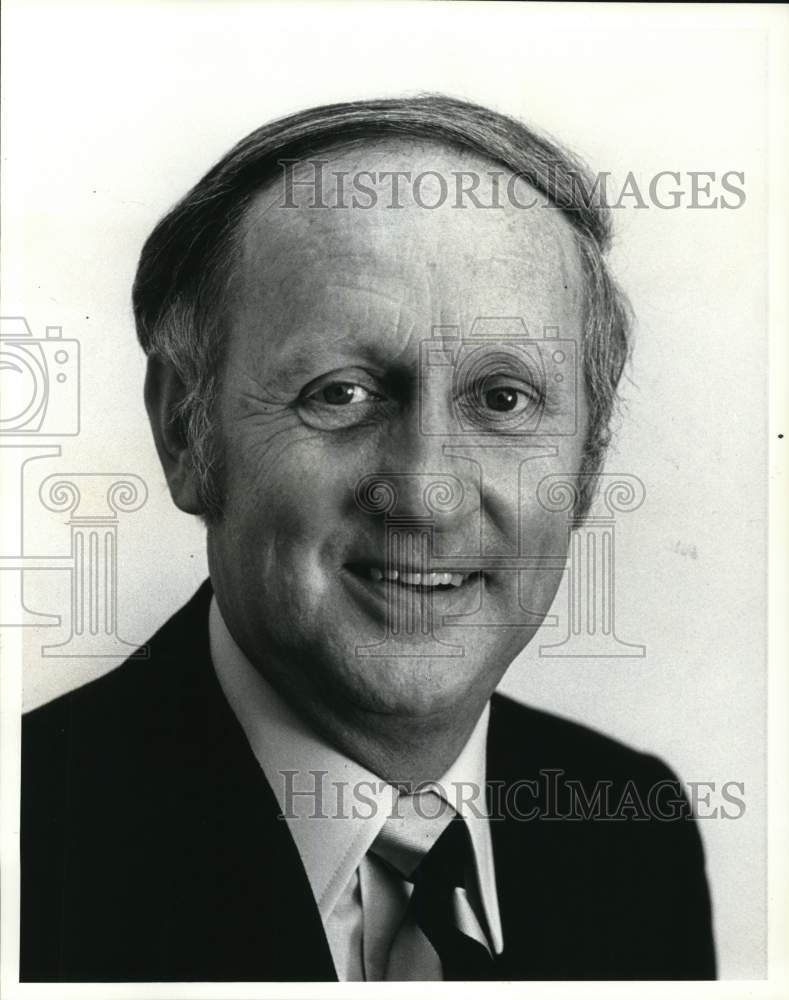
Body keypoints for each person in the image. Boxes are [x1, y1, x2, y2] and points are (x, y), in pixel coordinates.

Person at [20, 95, 716, 982]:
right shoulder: (34, 837)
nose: (424, 492)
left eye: (502, 399)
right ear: (186, 436)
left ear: (586, 464)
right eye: (340, 393)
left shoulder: (630, 826)